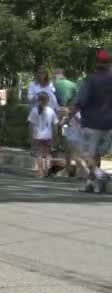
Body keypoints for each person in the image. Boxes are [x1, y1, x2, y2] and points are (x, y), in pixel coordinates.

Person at [73, 50, 112, 193]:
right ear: (109, 63)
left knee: (83, 153)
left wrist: (68, 115)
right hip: (108, 125)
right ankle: (90, 184)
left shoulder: (90, 80)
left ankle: (100, 174)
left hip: (91, 123)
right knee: (96, 155)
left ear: (97, 63)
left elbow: (81, 101)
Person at [28, 92, 59, 178]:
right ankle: (46, 171)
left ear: (38, 100)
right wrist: (55, 137)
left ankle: (40, 172)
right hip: (48, 136)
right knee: (48, 154)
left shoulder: (34, 110)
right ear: (48, 101)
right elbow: (55, 125)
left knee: (39, 154)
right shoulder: (51, 111)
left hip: (37, 135)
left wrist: (30, 137)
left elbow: (30, 125)